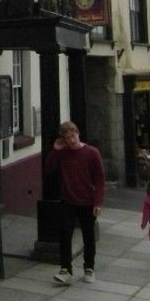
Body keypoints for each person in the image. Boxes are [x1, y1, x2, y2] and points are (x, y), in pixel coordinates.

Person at [45, 120, 105, 285]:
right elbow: (48, 168)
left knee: (88, 235)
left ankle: (89, 268)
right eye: (67, 137)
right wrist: (55, 150)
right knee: (65, 233)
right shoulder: (62, 153)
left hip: (87, 200)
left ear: (78, 134)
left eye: (73, 136)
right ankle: (65, 269)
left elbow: (100, 180)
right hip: (68, 200)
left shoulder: (92, 153)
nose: (71, 140)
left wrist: (98, 203)